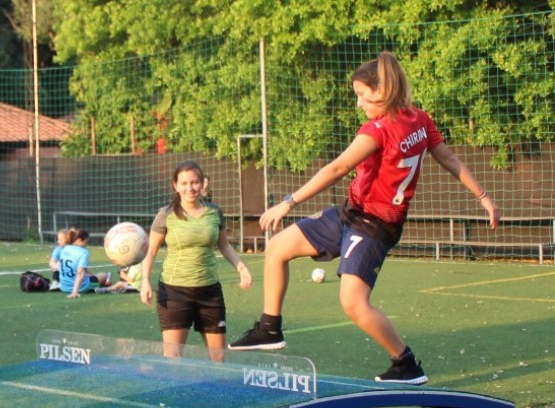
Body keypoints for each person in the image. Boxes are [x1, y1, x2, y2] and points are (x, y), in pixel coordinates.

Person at [230, 52, 500, 384]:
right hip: (351, 212)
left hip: (375, 225)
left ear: (382, 90)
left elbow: (337, 168)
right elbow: (448, 157)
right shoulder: (419, 119)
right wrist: (483, 197)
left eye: (362, 95)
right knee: (278, 248)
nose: (359, 103)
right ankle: (269, 329)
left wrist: (288, 201)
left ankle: (405, 363)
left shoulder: (378, 129)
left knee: (354, 304)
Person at [139, 161, 252, 361]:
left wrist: (241, 268)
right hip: (174, 292)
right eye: (184, 183)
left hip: (209, 292)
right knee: (173, 358)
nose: (190, 188)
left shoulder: (214, 212)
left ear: (203, 184)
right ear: (175, 185)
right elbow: (151, 251)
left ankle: (215, 392)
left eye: (194, 182)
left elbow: (224, 245)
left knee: (218, 358)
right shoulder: (166, 214)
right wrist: (145, 281)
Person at [58, 228, 113, 297]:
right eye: (86, 242)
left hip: (64, 287)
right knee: (104, 275)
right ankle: (105, 281)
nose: (85, 245)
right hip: (81, 288)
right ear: (79, 240)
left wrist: (91, 274)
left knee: (92, 276)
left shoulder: (64, 249)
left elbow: (60, 266)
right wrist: (75, 292)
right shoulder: (83, 252)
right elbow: (80, 273)